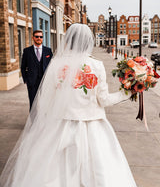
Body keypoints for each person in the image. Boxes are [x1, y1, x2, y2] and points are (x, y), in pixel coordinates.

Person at [0, 24, 137, 187]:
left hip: (59, 126)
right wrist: (129, 92)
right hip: (92, 126)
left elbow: (45, 99)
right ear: (88, 42)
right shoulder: (96, 65)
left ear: (69, 41)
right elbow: (105, 100)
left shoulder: (56, 64)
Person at [21, 30, 53, 111]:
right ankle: (33, 122)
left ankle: (44, 121)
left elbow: (52, 66)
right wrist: (26, 80)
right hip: (32, 82)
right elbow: (23, 67)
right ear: (33, 38)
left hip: (45, 81)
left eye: (41, 37)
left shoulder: (48, 50)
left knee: (45, 102)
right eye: (37, 36)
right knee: (33, 103)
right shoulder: (27, 51)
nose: (39, 38)